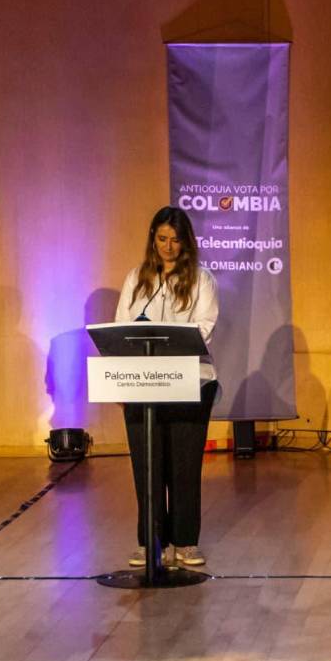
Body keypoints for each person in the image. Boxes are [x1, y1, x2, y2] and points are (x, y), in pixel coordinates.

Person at [115, 206, 219, 568]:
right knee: (147, 465)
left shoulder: (201, 280)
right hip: (142, 383)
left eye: (175, 240)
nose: (168, 246)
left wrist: (166, 342)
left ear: (186, 242)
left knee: (184, 466)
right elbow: (121, 326)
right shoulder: (137, 278)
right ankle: (152, 542)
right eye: (162, 239)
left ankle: (186, 541)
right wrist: (122, 384)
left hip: (191, 382)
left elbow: (204, 327)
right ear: (152, 239)